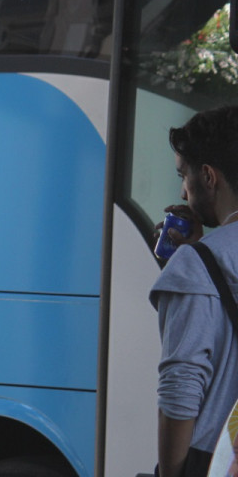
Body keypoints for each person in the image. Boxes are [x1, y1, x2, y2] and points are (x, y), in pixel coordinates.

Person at [150, 106, 238, 477]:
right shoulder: (203, 263)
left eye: (183, 176)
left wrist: (171, 473)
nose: (182, 191)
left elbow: (181, 389)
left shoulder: (198, 265)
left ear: (207, 176)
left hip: (217, 457)